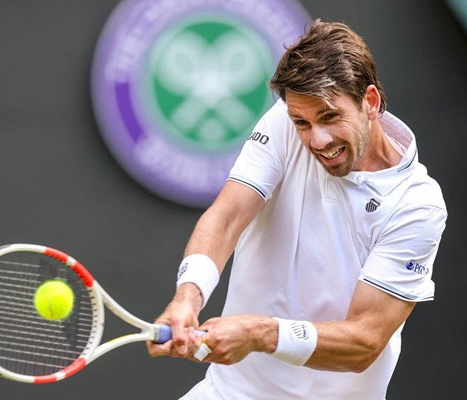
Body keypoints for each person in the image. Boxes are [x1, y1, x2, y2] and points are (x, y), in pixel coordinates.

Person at [147, 19, 447, 399]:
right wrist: (187, 297)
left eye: (330, 117)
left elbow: (364, 341)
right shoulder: (284, 123)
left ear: (369, 102)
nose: (317, 139)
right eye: (302, 122)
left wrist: (260, 333)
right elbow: (226, 217)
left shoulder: (417, 204)